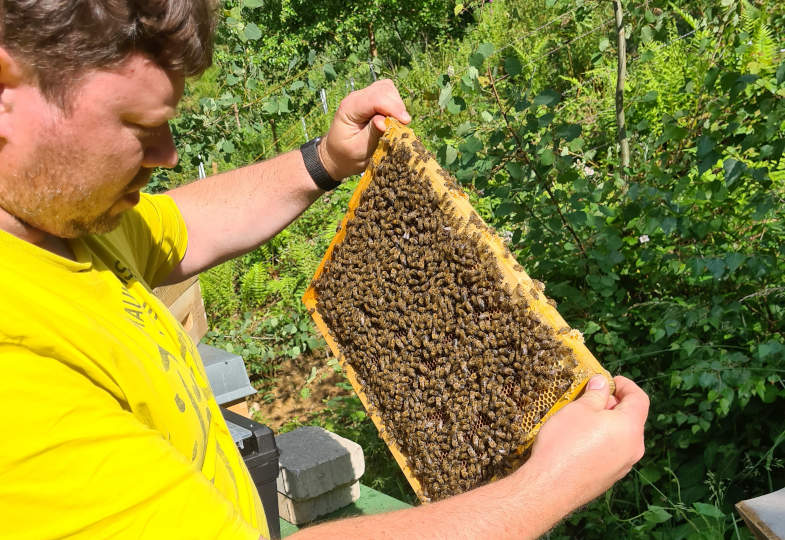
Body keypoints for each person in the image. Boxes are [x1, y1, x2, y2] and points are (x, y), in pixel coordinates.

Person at [0, 1, 649, 538]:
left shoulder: (63, 216)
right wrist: (547, 484)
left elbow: (180, 227)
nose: (168, 154)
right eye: (140, 126)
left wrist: (325, 160)